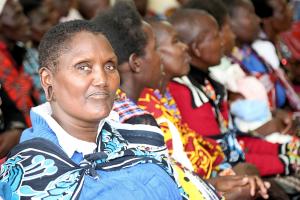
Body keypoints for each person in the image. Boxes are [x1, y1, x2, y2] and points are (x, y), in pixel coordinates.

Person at [0, 20, 185, 200]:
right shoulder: (24, 172)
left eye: (109, 66)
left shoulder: (143, 139)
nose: (102, 79)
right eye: (83, 67)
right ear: (48, 79)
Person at [93, 2, 225, 199]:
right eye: (155, 50)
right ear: (136, 62)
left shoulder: (132, 104)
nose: (160, 59)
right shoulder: (137, 121)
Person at [138, 19, 271, 200]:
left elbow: (212, 153)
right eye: (176, 42)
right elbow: (178, 179)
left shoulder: (167, 95)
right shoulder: (154, 106)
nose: (185, 47)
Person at [169, 8, 300, 177]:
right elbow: (221, 158)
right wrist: (287, 162)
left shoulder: (208, 82)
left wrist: (288, 150)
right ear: (197, 48)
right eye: (216, 36)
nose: (223, 41)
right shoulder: (186, 93)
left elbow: (235, 144)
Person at [0, 0, 36, 159]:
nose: (26, 20)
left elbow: (12, 109)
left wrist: (17, 129)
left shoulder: (19, 53)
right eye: (17, 15)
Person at [20, 0, 62, 104]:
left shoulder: (60, 50)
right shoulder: (27, 61)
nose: (50, 26)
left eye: (49, 20)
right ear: (27, 27)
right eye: (43, 22)